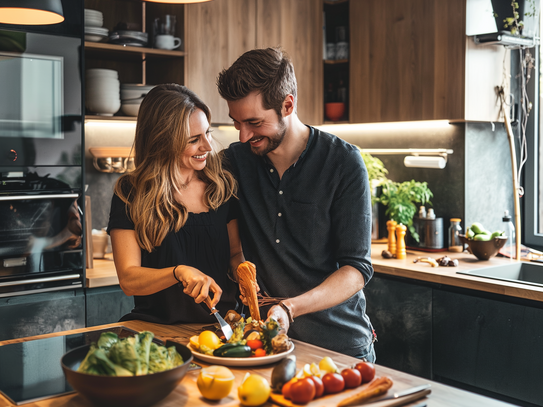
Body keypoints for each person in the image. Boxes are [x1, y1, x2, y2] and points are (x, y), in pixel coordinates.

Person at [217, 48, 376, 360]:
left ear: (287, 105)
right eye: (236, 122)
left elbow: (357, 269)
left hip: (339, 346)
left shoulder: (343, 162)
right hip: (264, 345)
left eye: (254, 122)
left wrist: (289, 308)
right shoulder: (234, 163)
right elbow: (232, 250)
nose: (244, 134)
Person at [107, 83, 244, 324]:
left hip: (222, 328)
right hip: (157, 329)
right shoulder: (132, 193)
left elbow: (234, 253)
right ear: (163, 140)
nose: (207, 147)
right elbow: (128, 279)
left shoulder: (221, 186)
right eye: (194, 140)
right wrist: (177, 272)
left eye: (207, 133)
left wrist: (243, 272)